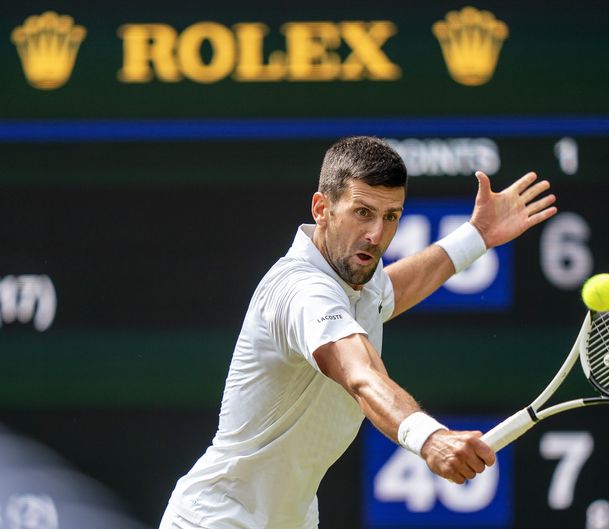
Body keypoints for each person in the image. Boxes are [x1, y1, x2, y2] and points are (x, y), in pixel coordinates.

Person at [159, 136, 558, 529]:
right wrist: (429, 437)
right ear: (322, 209)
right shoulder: (303, 291)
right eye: (362, 212)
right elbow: (361, 375)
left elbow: (391, 293)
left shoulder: (356, 280)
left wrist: (477, 236)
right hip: (216, 519)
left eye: (391, 217)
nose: (376, 234)